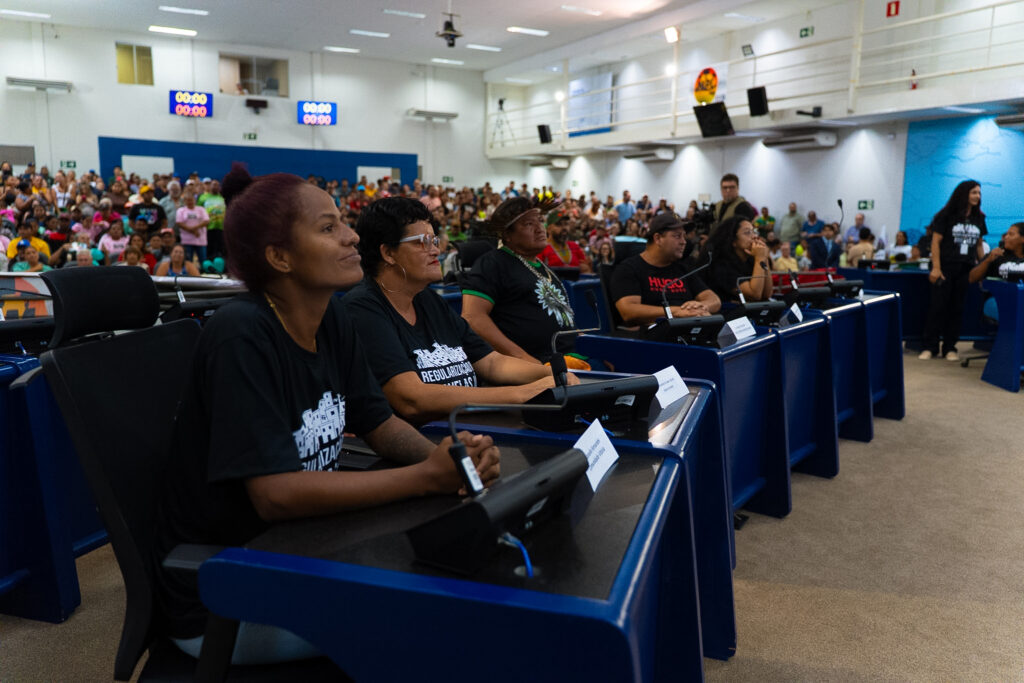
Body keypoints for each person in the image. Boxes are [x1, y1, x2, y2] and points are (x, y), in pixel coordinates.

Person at [154, 165, 499, 664]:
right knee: (447, 619)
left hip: (306, 550)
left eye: (344, 222)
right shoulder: (241, 335)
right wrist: (428, 478)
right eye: (328, 227)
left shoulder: (332, 314)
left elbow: (378, 423)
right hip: (228, 591)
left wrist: (450, 460)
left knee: (468, 581)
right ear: (279, 257)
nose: (351, 235)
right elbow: (276, 496)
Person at [342, 197, 567, 424]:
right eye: (423, 241)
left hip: (473, 432)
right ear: (388, 253)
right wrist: (522, 394)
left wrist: (550, 374)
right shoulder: (363, 309)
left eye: (434, 240)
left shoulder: (429, 301)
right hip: (430, 444)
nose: (435, 250)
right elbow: (411, 399)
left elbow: (491, 363)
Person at [460, 197, 579, 365]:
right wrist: (525, 360)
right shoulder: (493, 263)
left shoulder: (541, 266)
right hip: (534, 365)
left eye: (540, 221)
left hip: (570, 358)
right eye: (529, 224)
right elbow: (472, 317)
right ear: (508, 234)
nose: (540, 229)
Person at [609, 212, 721, 326]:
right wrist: (676, 312)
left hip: (686, 331)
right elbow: (629, 311)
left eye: (684, 236)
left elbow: (714, 299)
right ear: (658, 238)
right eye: (677, 236)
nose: (684, 242)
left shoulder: (683, 269)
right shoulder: (628, 269)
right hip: (652, 338)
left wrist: (701, 307)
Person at [921, 180, 987, 361]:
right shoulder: (946, 214)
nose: (977, 196)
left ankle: (950, 347)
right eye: (974, 192)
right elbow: (935, 242)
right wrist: (936, 267)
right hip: (945, 267)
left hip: (966, 269)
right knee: (938, 307)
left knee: (957, 308)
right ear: (964, 193)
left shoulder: (979, 217)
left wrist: (982, 268)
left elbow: (979, 245)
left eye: (979, 193)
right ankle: (930, 346)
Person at [704, 216, 773, 303]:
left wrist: (764, 257)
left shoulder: (751, 261)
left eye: (754, 232)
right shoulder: (722, 265)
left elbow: (767, 294)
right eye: (747, 232)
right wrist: (760, 258)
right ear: (733, 241)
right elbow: (755, 295)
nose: (754, 237)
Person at [538, 209, 592, 273]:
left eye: (566, 224)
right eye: (559, 224)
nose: (564, 228)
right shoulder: (541, 248)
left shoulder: (574, 246)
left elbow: (586, 270)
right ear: (549, 228)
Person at [175, 189, 210, 264]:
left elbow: (206, 221)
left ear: (194, 200)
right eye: (187, 200)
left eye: (191, 200)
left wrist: (194, 228)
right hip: (187, 240)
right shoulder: (181, 210)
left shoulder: (201, 209)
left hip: (200, 240)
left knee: (203, 261)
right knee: (188, 261)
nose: (190, 202)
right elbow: (179, 222)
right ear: (184, 201)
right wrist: (193, 231)